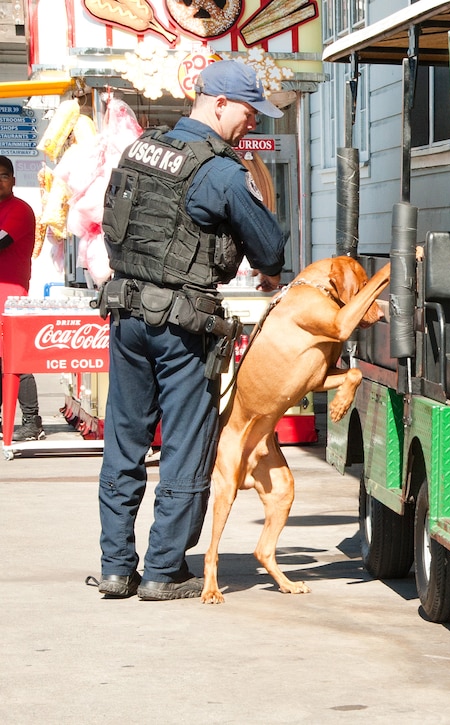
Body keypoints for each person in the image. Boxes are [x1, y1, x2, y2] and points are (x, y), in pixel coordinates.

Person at [96, 60, 287, 601]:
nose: (253, 123)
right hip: (183, 328)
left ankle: (115, 568)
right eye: (250, 112)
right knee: (186, 444)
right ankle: (161, 571)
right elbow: (270, 250)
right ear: (220, 103)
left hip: (128, 315)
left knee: (125, 441)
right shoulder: (221, 171)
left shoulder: (139, 151)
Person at [0, 155, 45, 442]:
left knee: (16, 361)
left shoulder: (20, 210)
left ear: (14, 180)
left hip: (10, 297)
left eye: (3, 175)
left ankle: (32, 420)